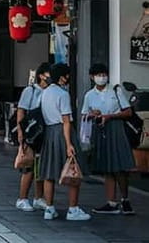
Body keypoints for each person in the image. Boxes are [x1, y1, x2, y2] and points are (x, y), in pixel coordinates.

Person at [82, 63, 136, 215]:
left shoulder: (115, 90)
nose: (102, 77)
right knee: (107, 168)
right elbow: (84, 114)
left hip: (116, 129)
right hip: (101, 131)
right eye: (99, 75)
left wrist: (110, 116)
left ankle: (125, 200)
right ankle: (111, 202)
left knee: (120, 167)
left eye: (104, 74)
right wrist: (94, 115)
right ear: (92, 77)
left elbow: (128, 112)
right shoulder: (89, 95)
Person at [39, 63, 90, 221]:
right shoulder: (63, 94)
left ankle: (49, 208)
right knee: (73, 169)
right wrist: (69, 144)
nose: (68, 78)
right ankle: (73, 209)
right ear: (62, 77)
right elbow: (66, 120)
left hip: (49, 132)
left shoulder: (44, 93)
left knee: (49, 171)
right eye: (67, 75)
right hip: (62, 132)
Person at [15, 62, 50, 213]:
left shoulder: (51, 91)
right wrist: (20, 132)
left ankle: (38, 197)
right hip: (31, 131)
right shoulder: (30, 91)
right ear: (41, 75)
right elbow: (21, 111)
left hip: (44, 132)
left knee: (41, 165)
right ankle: (22, 198)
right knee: (28, 165)